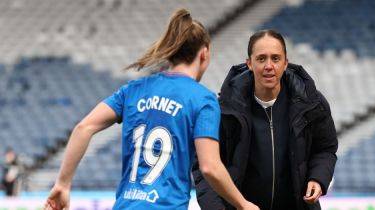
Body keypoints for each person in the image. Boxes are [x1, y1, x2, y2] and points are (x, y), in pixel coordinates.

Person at [44, 8, 258, 210]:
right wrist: (243, 204)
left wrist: (62, 184)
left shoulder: (134, 89)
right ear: (204, 53)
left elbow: (84, 127)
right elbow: (210, 167)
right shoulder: (203, 100)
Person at [193, 30, 338, 210]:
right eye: (261, 59)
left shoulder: (311, 103)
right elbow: (204, 166)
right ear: (249, 64)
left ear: (286, 63)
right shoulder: (224, 109)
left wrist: (318, 178)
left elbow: (325, 148)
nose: (269, 65)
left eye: (275, 58)